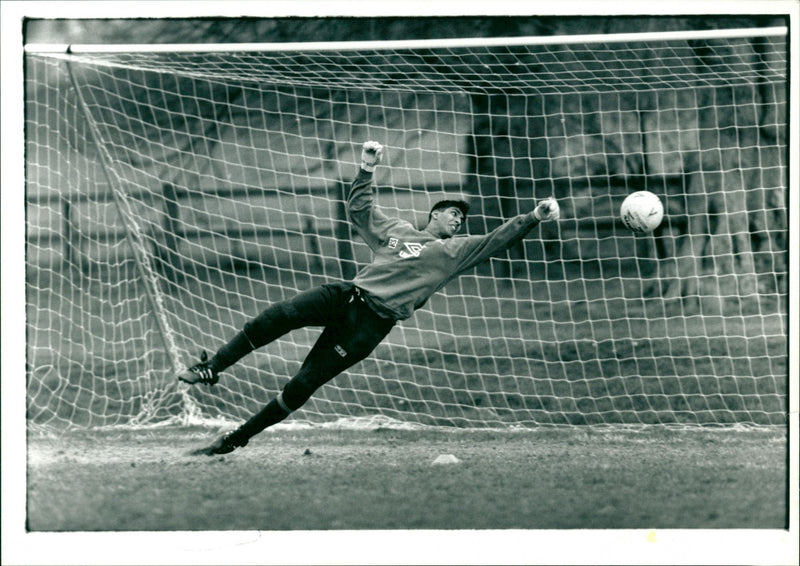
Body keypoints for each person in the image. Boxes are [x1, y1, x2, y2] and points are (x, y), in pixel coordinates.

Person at [180, 140, 560, 456]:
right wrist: (366, 168)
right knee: (276, 316)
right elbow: (360, 210)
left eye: (462, 218)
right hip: (348, 295)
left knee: (303, 383)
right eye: (451, 214)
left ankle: (236, 438)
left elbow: (496, 241)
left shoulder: (454, 253)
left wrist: (533, 217)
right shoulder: (396, 232)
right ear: (435, 214)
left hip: (371, 324)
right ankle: (212, 367)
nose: (458, 220)